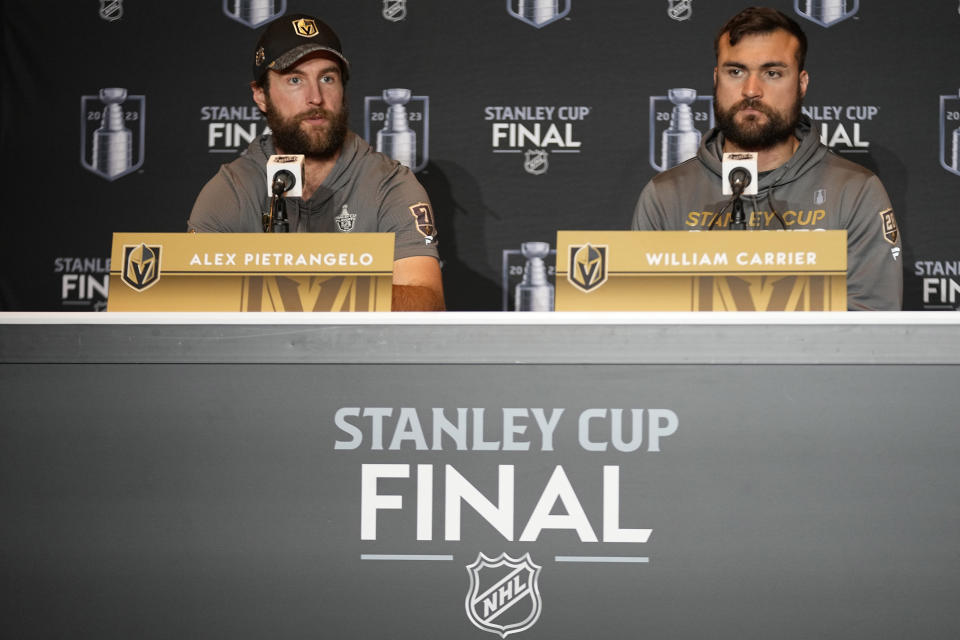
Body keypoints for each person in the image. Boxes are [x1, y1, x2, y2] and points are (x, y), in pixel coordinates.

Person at [632, 7, 902, 311]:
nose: (751, 90)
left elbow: (873, 325)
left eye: (772, 73)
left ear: (801, 83)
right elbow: (646, 325)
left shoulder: (855, 192)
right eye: (736, 72)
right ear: (716, 78)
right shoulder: (665, 196)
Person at [189, 14, 444, 311]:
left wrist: (303, 290)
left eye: (327, 78)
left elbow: (426, 303)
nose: (316, 97)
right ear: (261, 96)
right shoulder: (231, 190)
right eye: (295, 80)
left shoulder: (389, 185)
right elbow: (190, 303)